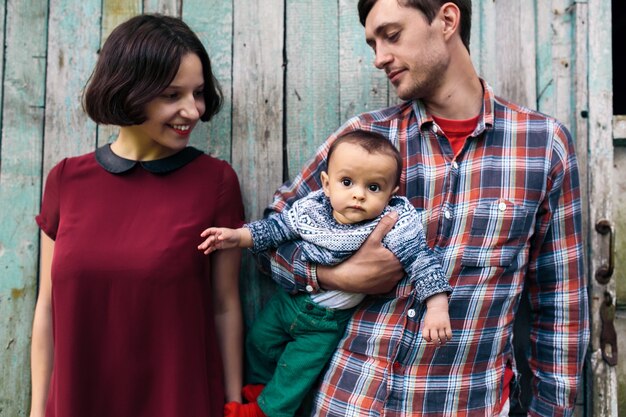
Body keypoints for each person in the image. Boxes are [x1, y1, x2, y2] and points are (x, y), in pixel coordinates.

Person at [261, 0, 590, 416]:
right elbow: (269, 236)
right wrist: (332, 274)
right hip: (351, 401)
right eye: (372, 43)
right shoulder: (363, 139)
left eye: (392, 35)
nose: (379, 57)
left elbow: (562, 303)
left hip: (467, 403)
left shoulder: (543, 146)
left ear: (447, 21)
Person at [29, 14, 244, 417]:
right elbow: (47, 307)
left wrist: (233, 404)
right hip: (79, 401)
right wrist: (38, 411)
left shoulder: (215, 182)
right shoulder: (66, 180)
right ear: (129, 91)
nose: (193, 110)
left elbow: (225, 306)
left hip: (179, 402)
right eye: (171, 95)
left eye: (197, 93)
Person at [198, 130, 452, 417]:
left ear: (392, 193)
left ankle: (267, 411)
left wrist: (437, 304)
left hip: (325, 323)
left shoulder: (394, 224)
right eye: (347, 182)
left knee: (296, 373)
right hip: (289, 300)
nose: (358, 194)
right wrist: (238, 237)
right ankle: (259, 388)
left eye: (374, 187)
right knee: (259, 342)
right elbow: (275, 229)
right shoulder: (313, 211)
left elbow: (422, 261)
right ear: (327, 185)